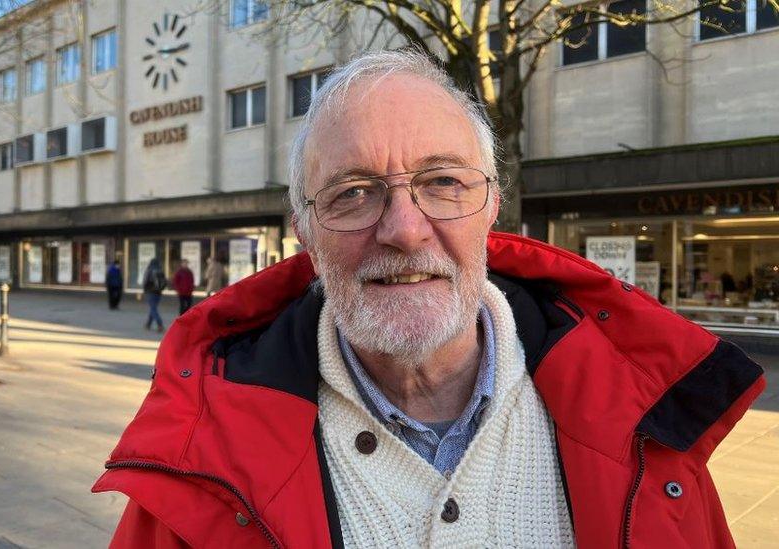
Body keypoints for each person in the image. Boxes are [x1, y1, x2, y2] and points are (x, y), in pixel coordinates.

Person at [94, 51, 765, 548]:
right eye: (353, 192)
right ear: (306, 232)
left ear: (490, 208)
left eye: (442, 181)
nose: (405, 228)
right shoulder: (200, 464)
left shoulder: (646, 426)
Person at [142, 257, 166, 331]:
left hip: (150, 292)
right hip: (158, 292)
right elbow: (165, 282)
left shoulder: (149, 270)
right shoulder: (160, 270)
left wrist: (145, 290)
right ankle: (148, 324)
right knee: (153, 307)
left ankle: (160, 324)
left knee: (153, 308)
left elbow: (145, 282)